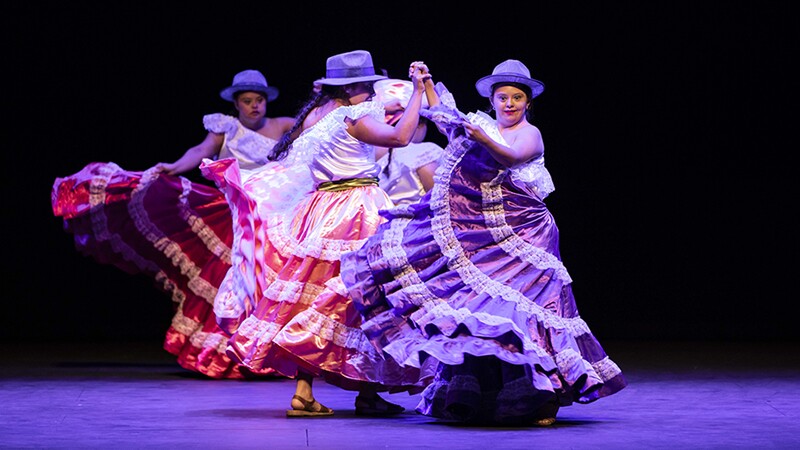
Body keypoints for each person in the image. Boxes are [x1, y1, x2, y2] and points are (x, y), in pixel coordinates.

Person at [340, 59, 627, 425]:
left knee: (521, 310)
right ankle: (468, 386)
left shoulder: (529, 133)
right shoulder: (485, 126)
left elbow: (511, 156)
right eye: (503, 97)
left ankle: (534, 395)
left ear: (528, 102)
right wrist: (425, 84)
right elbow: (449, 120)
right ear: (493, 101)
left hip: (525, 234)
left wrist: (483, 137)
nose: (509, 104)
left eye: (517, 97)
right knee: (480, 308)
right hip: (485, 233)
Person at [202, 50, 436, 417]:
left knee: (319, 298)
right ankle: (363, 393)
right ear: (356, 87)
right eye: (368, 86)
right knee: (362, 297)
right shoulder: (352, 117)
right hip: (356, 207)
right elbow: (402, 137)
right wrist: (419, 92)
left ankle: (314, 392)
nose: (373, 94)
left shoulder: (317, 115)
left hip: (322, 208)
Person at [51, 69, 295, 379]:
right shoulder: (225, 128)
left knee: (269, 278)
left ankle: (269, 352)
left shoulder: (284, 125)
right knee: (230, 278)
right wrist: (174, 166)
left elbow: (316, 127)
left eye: (259, 100)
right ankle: (225, 352)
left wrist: (321, 96)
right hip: (234, 211)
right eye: (247, 101)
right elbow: (200, 151)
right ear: (236, 104)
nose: (254, 106)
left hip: (272, 212)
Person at [372, 79, 443, 207]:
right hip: (416, 223)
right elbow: (439, 199)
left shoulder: (369, 154)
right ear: (418, 124)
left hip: (381, 223)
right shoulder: (423, 152)